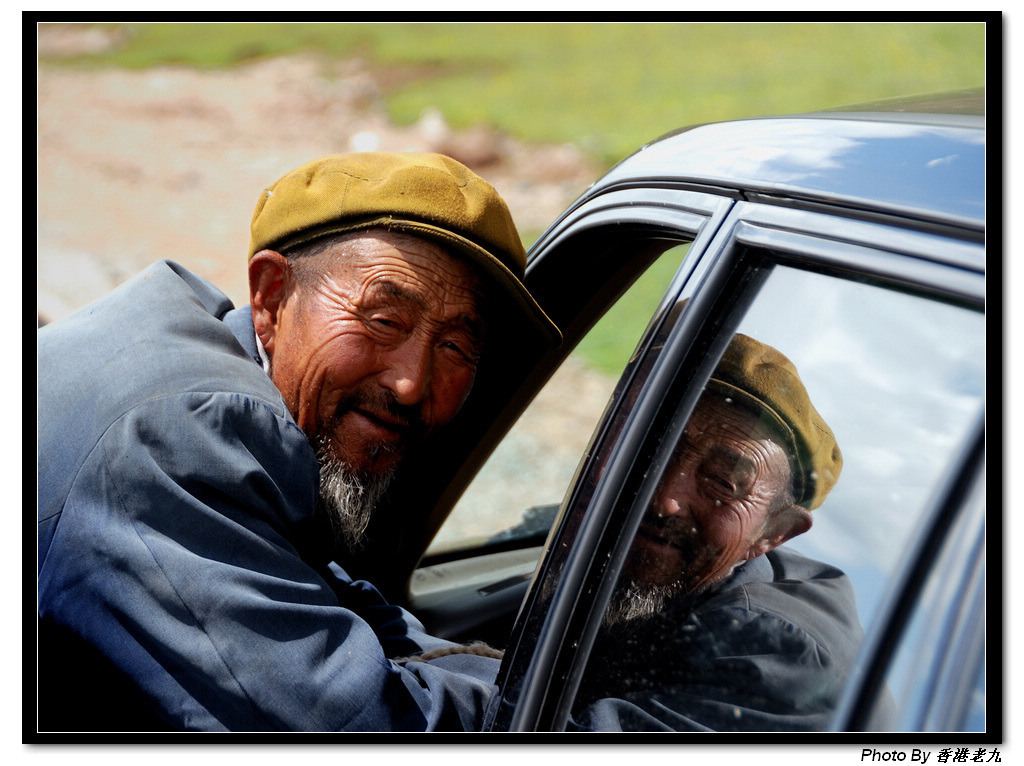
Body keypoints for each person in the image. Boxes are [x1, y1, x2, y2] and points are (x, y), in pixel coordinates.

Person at [36, 152, 561, 733]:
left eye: (457, 347)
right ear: (270, 297)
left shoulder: (222, 381)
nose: (411, 384)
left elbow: (314, 590)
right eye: (385, 321)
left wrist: (520, 681)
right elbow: (343, 724)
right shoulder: (177, 433)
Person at [571, 333, 888, 732]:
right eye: (650, 448)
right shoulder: (661, 576)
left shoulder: (776, 653)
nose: (666, 500)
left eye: (722, 483)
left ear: (773, 533)